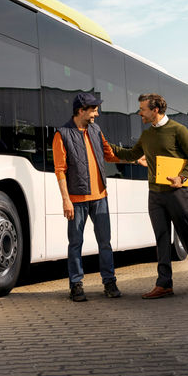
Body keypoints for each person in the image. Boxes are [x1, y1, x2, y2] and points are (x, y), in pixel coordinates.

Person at [113, 92, 188, 298]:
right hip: (155, 194)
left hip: (178, 192)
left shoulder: (178, 130)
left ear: (155, 110)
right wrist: (105, 146)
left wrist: (182, 177)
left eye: (143, 109)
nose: (139, 113)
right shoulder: (147, 135)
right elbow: (131, 155)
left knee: (186, 234)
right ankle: (164, 284)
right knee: (161, 237)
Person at [53, 91, 123, 301]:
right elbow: (60, 170)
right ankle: (76, 284)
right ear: (80, 110)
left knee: (105, 242)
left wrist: (135, 159)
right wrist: (66, 200)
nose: (96, 114)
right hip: (76, 199)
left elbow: (109, 153)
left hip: (100, 196)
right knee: (75, 244)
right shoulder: (62, 134)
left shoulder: (95, 130)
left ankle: (109, 282)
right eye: (93, 110)